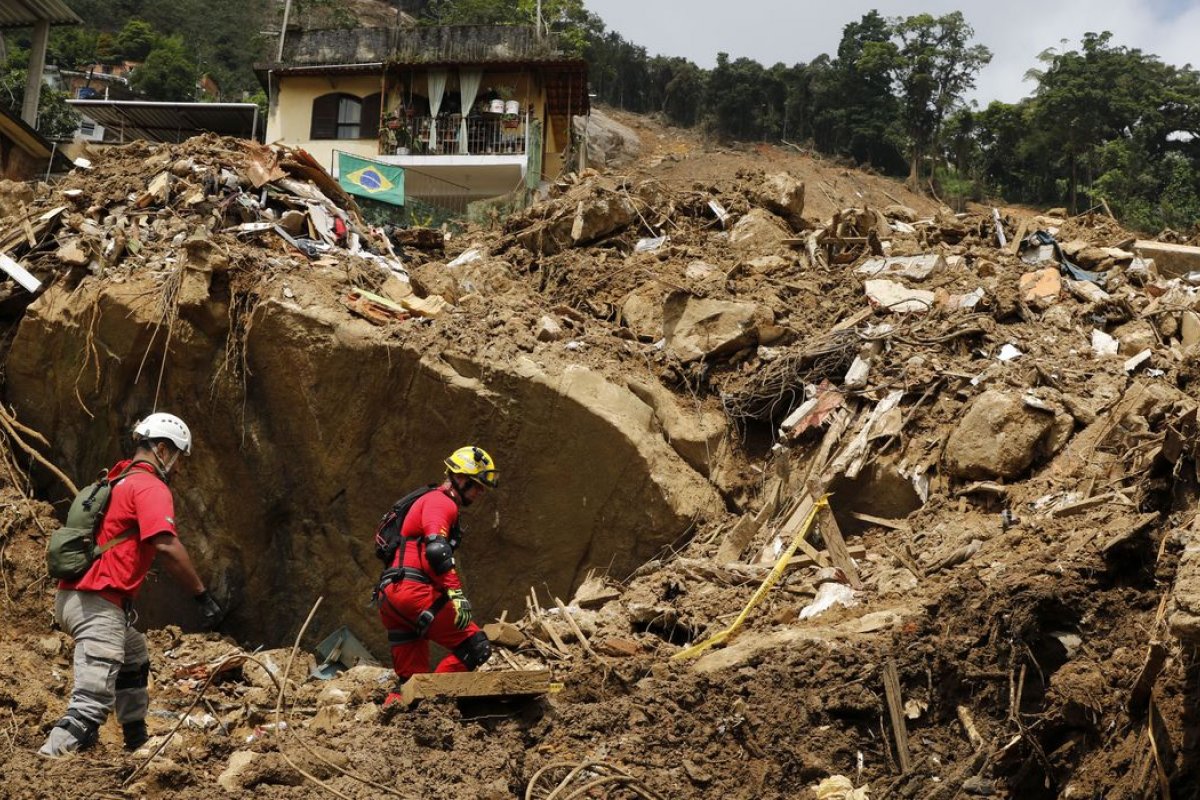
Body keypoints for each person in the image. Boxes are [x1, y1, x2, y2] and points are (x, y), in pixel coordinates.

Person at [39, 413, 222, 757]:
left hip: (73, 598)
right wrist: (202, 596)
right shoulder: (150, 486)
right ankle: (48, 763)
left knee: (133, 654)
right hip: (98, 604)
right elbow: (166, 546)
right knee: (90, 703)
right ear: (163, 450)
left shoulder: (117, 479)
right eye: (179, 457)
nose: (179, 469)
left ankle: (136, 741)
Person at [375, 446, 496, 702]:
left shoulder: (428, 500)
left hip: (391, 598)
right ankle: (438, 703)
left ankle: (402, 717)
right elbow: (437, 550)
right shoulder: (441, 502)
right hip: (412, 593)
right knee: (476, 647)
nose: (480, 492)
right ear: (460, 479)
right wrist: (457, 594)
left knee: (411, 683)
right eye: (477, 485)